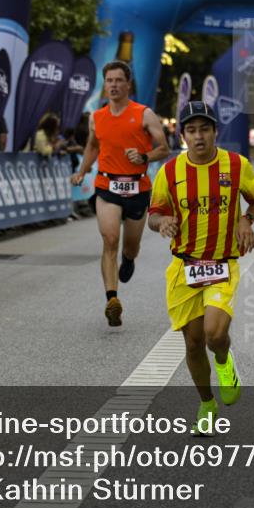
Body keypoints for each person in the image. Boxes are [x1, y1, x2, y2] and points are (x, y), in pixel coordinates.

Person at [147, 101, 254, 435]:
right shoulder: (169, 172)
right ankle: (206, 403)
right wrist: (164, 222)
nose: (198, 137)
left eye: (204, 129)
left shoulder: (235, 164)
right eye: (191, 130)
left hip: (222, 264)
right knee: (194, 343)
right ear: (182, 134)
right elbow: (153, 215)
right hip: (184, 268)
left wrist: (245, 220)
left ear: (215, 131)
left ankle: (225, 361)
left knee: (215, 334)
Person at [70, 60, 169, 327]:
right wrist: (82, 171)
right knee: (110, 238)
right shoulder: (97, 117)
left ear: (128, 84)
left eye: (118, 80)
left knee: (131, 246)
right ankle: (112, 299)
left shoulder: (144, 114)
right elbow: (92, 146)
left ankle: (129, 259)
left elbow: (164, 148)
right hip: (107, 186)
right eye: (109, 81)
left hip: (137, 187)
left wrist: (144, 156)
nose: (113, 85)